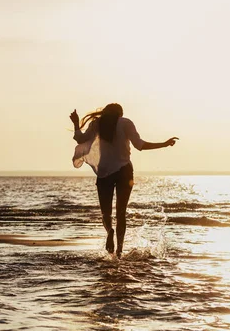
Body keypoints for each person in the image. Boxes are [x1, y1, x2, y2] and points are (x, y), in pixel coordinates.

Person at [70, 103, 178, 258]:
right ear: (120, 113)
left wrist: (75, 123)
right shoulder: (126, 123)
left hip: (104, 173)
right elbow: (140, 145)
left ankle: (110, 232)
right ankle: (119, 250)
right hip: (124, 172)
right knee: (121, 213)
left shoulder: (97, 124)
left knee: (106, 213)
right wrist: (164, 144)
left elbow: (80, 138)